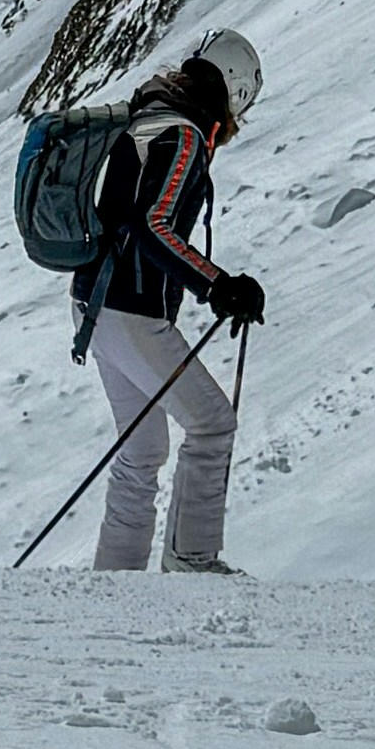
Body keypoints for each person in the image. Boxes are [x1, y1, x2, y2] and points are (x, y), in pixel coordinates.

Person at [81, 43, 265, 575]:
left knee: (140, 452)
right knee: (211, 425)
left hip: (93, 305)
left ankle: (116, 581)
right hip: (133, 310)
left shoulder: (149, 116)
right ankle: (192, 562)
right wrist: (220, 286)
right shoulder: (183, 135)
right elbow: (153, 227)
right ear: (234, 90)